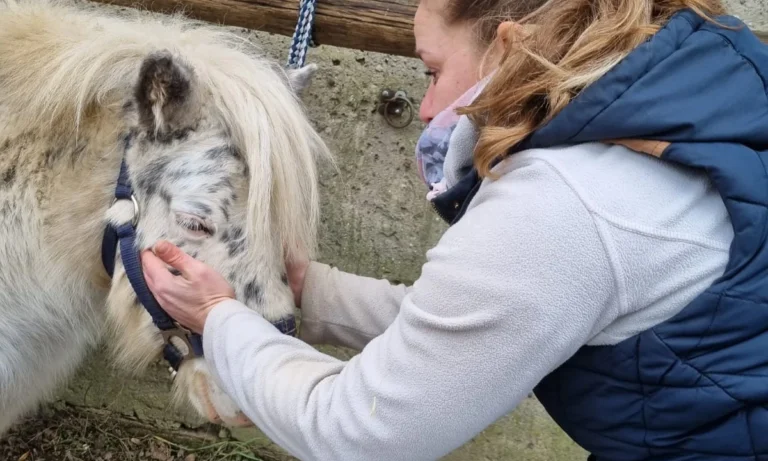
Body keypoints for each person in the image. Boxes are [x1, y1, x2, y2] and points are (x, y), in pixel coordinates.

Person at [141, 0, 768, 459]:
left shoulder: (561, 203)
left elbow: (356, 431)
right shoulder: (679, 123)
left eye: (431, 71)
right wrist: (311, 289)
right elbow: (479, 324)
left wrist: (220, 318)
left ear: (509, 45)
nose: (426, 109)